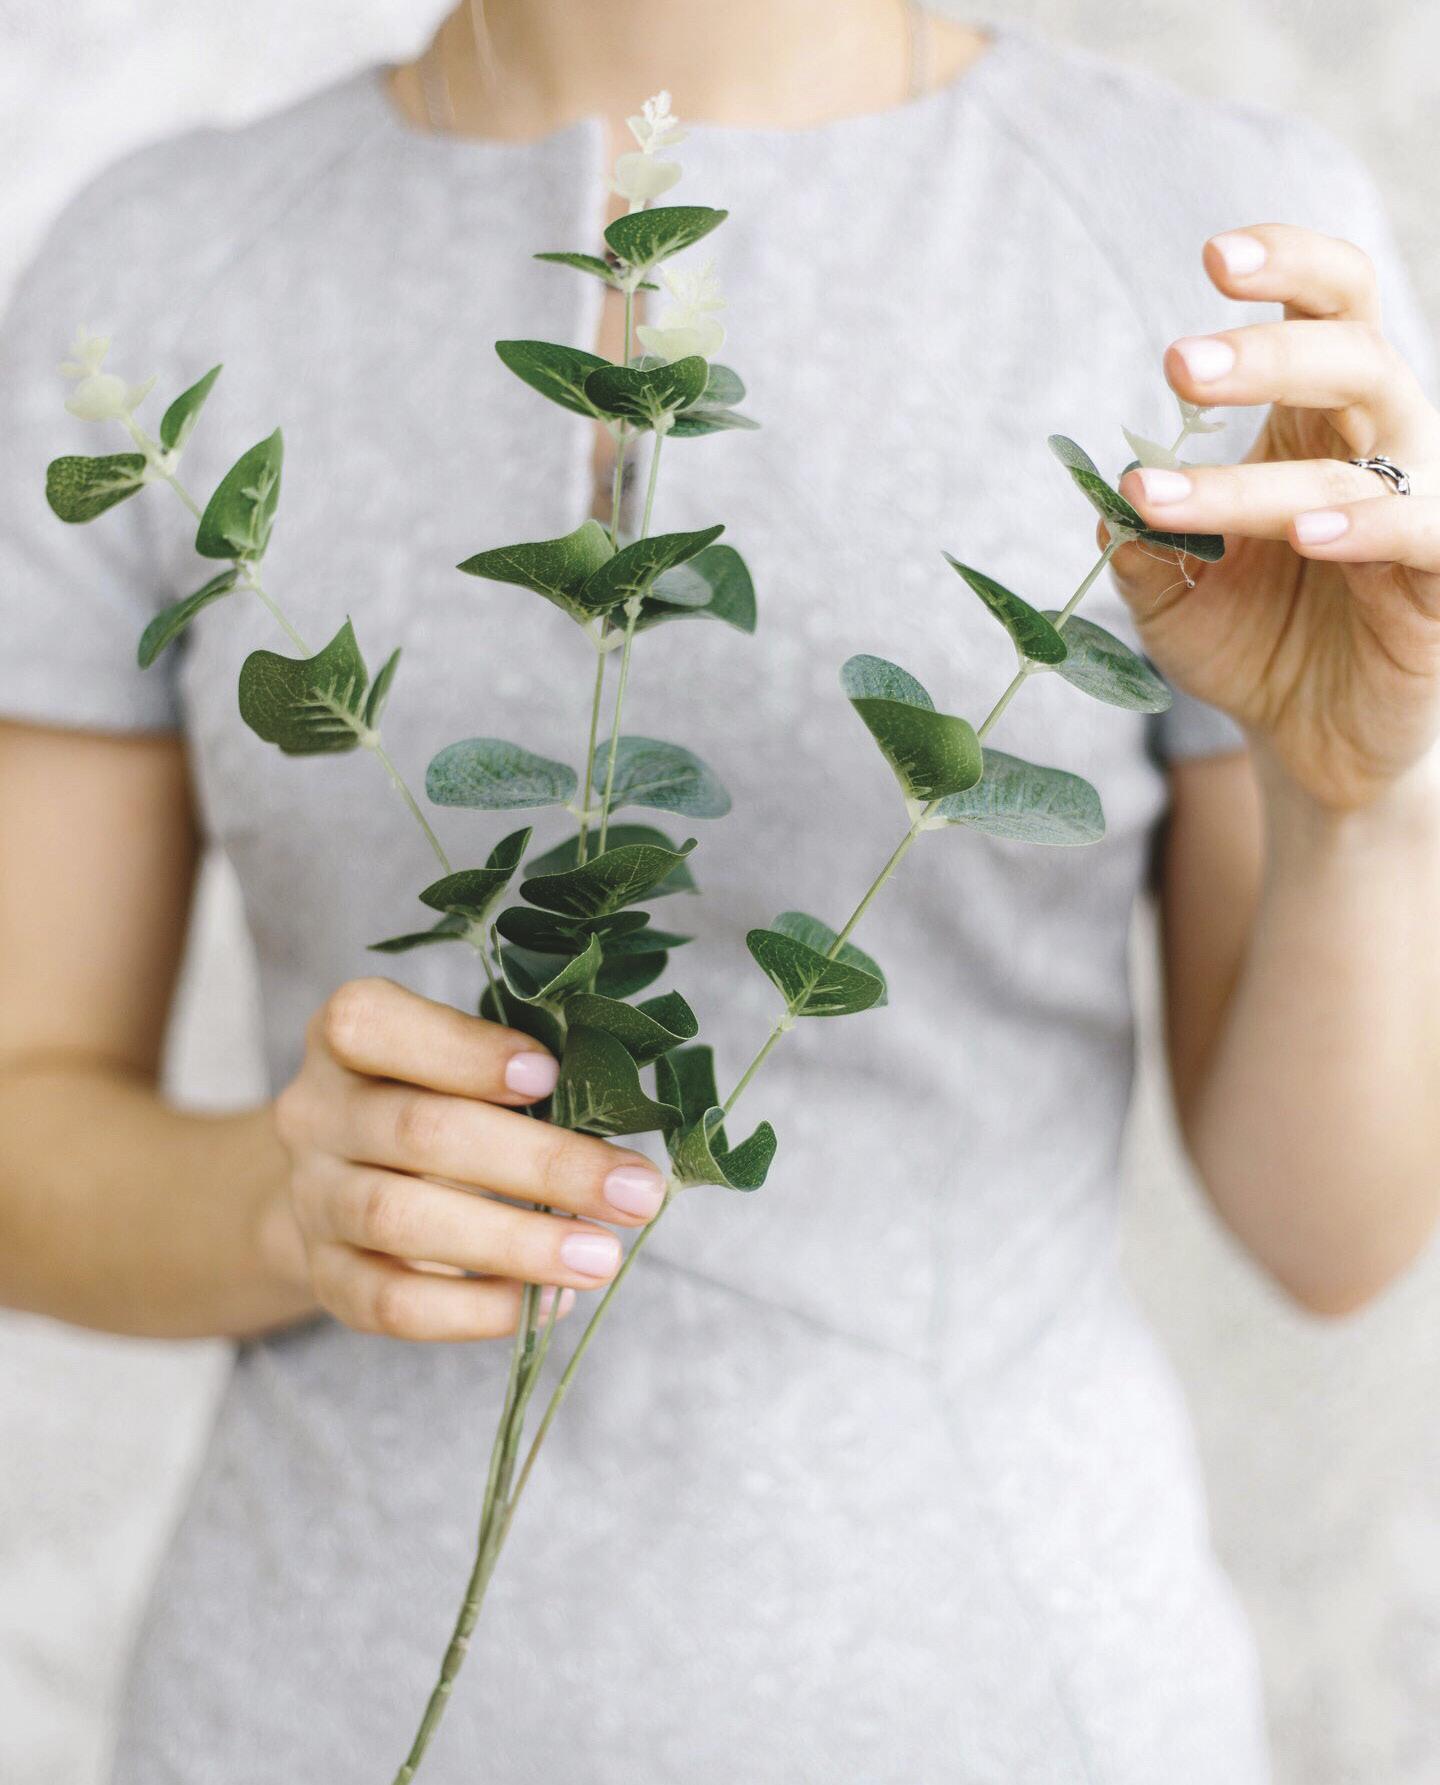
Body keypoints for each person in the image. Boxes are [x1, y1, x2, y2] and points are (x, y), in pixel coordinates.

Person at [2, 2, 1438, 1779]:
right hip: (310, 1717)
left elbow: (1333, 1235)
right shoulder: (162, 267)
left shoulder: (1208, 246)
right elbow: (24, 1117)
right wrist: (281, 1203)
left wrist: (1357, 807)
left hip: (1003, 1706)